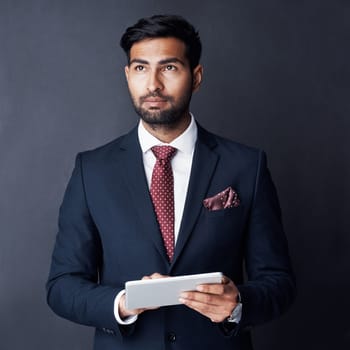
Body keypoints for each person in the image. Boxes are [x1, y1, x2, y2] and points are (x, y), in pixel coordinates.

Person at [46, 14, 296, 350]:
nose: (153, 85)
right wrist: (122, 303)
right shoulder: (91, 170)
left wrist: (238, 304)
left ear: (196, 77)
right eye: (140, 68)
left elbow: (279, 282)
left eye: (169, 68)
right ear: (127, 75)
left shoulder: (246, 166)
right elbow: (61, 286)